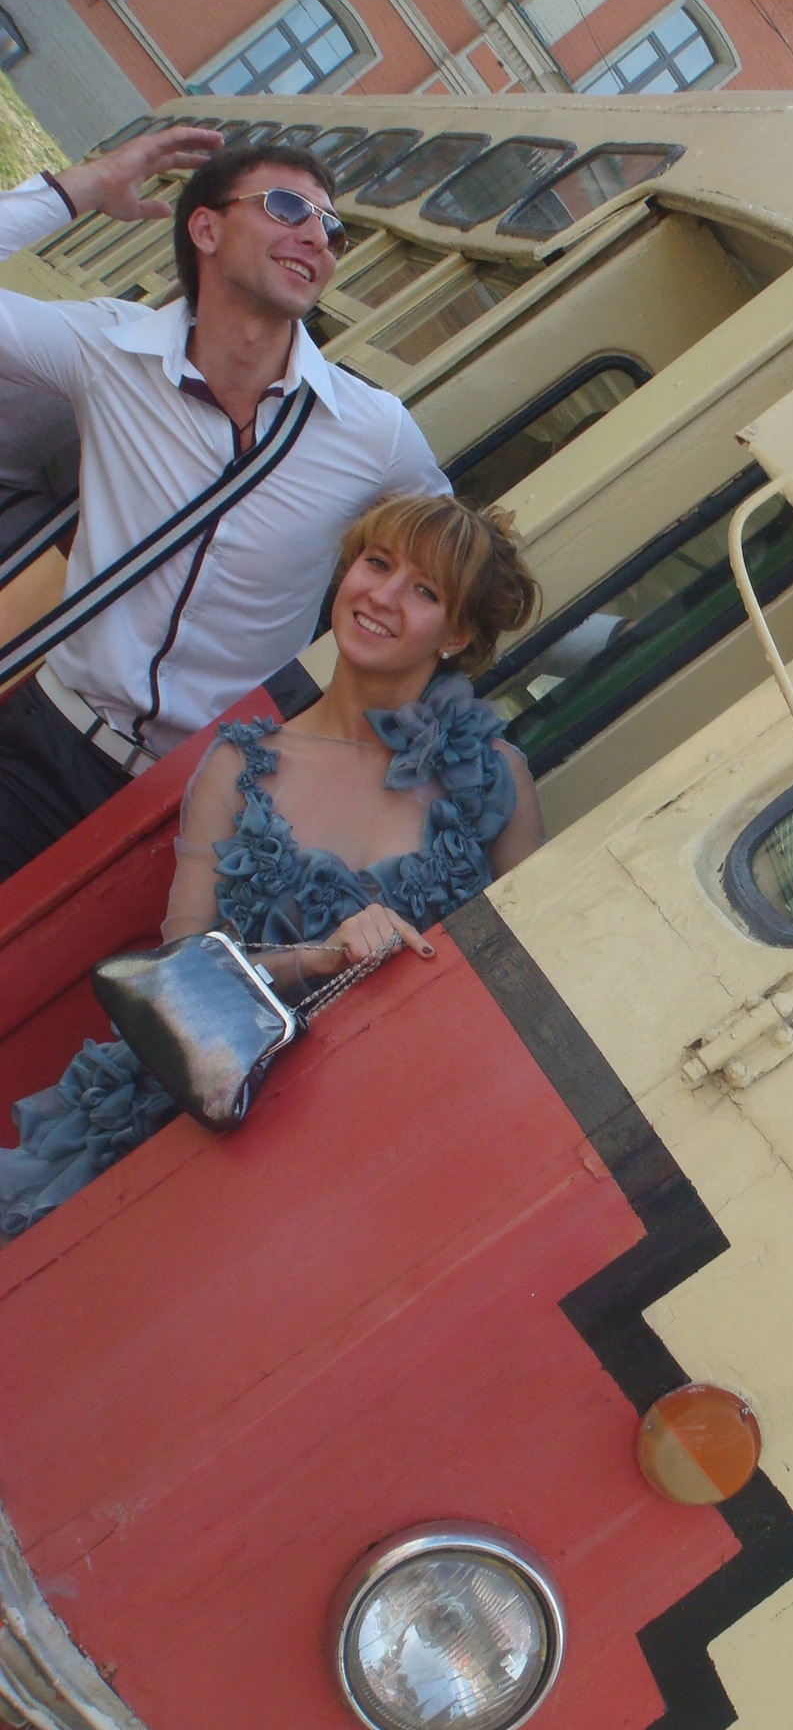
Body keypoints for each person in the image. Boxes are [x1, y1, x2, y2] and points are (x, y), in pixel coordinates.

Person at [0, 492, 543, 1238]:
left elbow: (528, 985)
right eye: (376, 564)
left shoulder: (495, 781)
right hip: (198, 1131)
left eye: (424, 590)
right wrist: (317, 959)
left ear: (458, 634)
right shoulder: (239, 765)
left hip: (380, 1145)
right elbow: (174, 985)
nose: (383, 596)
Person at [0, 125, 450, 879]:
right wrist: (81, 186)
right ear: (205, 229)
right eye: (287, 208)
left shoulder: (374, 432)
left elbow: (457, 570)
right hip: (45, 744)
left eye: (332, 229)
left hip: (187, 813)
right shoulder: (110, 351)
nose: (318, 237)